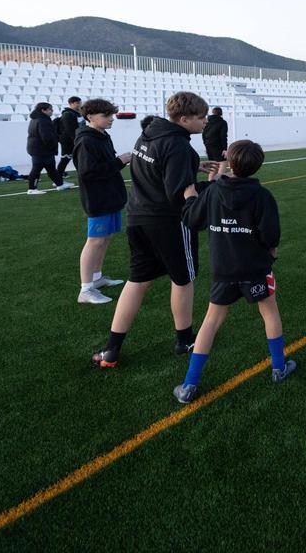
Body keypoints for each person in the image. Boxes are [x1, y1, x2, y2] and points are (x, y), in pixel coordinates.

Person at [92, 91, 217, 368]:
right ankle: (185, 340)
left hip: (138, 217)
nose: (205, 121)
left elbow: (154, 168)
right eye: (201, 117)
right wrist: (213, 184)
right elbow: (179, 194)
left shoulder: (148, 134)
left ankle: (111, 349)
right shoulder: (178, 145)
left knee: (137, 281)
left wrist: (192, 165)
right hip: (168, 221)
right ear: (184, 119)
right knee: (183, 279)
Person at [174, 140, 296, 403]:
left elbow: (192, 219)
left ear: (229, 161)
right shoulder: (262, 196)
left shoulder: (213, 192)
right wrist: (271, 255)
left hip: (224, 269)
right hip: (255, 268)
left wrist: (190, 196)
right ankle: (278, 367)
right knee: (269, 312)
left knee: (211, 321)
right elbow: (271, 235)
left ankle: (189, 385)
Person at [73, 98, 132, 305]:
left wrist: (118, 162)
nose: (111, 119)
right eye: (106, 115)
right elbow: (88, 172)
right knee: (95, 240)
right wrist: (119, 161)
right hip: (98, 198)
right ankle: (85, 289)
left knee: (105, 238)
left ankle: (96, 278)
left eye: (111, 115)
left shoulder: (102, 136)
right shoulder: (86, 141)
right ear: (90, 117)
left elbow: (105, 166)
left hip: (110, 195)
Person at [26, 102, 73, 194]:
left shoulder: (36, 119)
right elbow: (47, 137)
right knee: (37, 169)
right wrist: (53, 147)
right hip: (41, 149)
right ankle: (32, 189)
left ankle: (60, 184)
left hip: (38, 148)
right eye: (50, 109)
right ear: (43, 110)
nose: (52, 111)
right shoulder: (43, 120)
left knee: (51, 168)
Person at [55, 96, 83, 181]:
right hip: (68, 141)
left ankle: (82, 175)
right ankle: (58, 179)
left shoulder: (78, 113)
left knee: (79, 158)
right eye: (77, 103)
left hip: (76, 139)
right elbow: (69, 129)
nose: (80, 105)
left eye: (80, 103)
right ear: (71, 104)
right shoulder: (67, 114)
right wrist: (75, 139)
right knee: (65, 159)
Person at [202, 107, 229, 181]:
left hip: (208, 146)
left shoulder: (207, 122)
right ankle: (218, 184)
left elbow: (203, 135)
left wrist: (206, 146)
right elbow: (223, 136)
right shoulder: (222, 122)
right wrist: (225, 149)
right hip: (218, 146)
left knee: (213, 167)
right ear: (221, 113)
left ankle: (210, 184)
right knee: (223, 164)